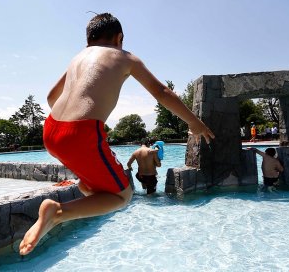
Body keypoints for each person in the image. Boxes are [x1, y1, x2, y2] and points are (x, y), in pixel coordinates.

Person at [19, 13, 215, 255]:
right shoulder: (125, 57)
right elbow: (162, 92)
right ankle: (57, 212)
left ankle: (78, 189)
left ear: (88, 40)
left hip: (51, 130)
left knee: (92, 190)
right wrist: (194, 123)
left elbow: (51, 98)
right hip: (81, 133)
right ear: (119, 38)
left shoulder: (77, 58)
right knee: (123, 195)